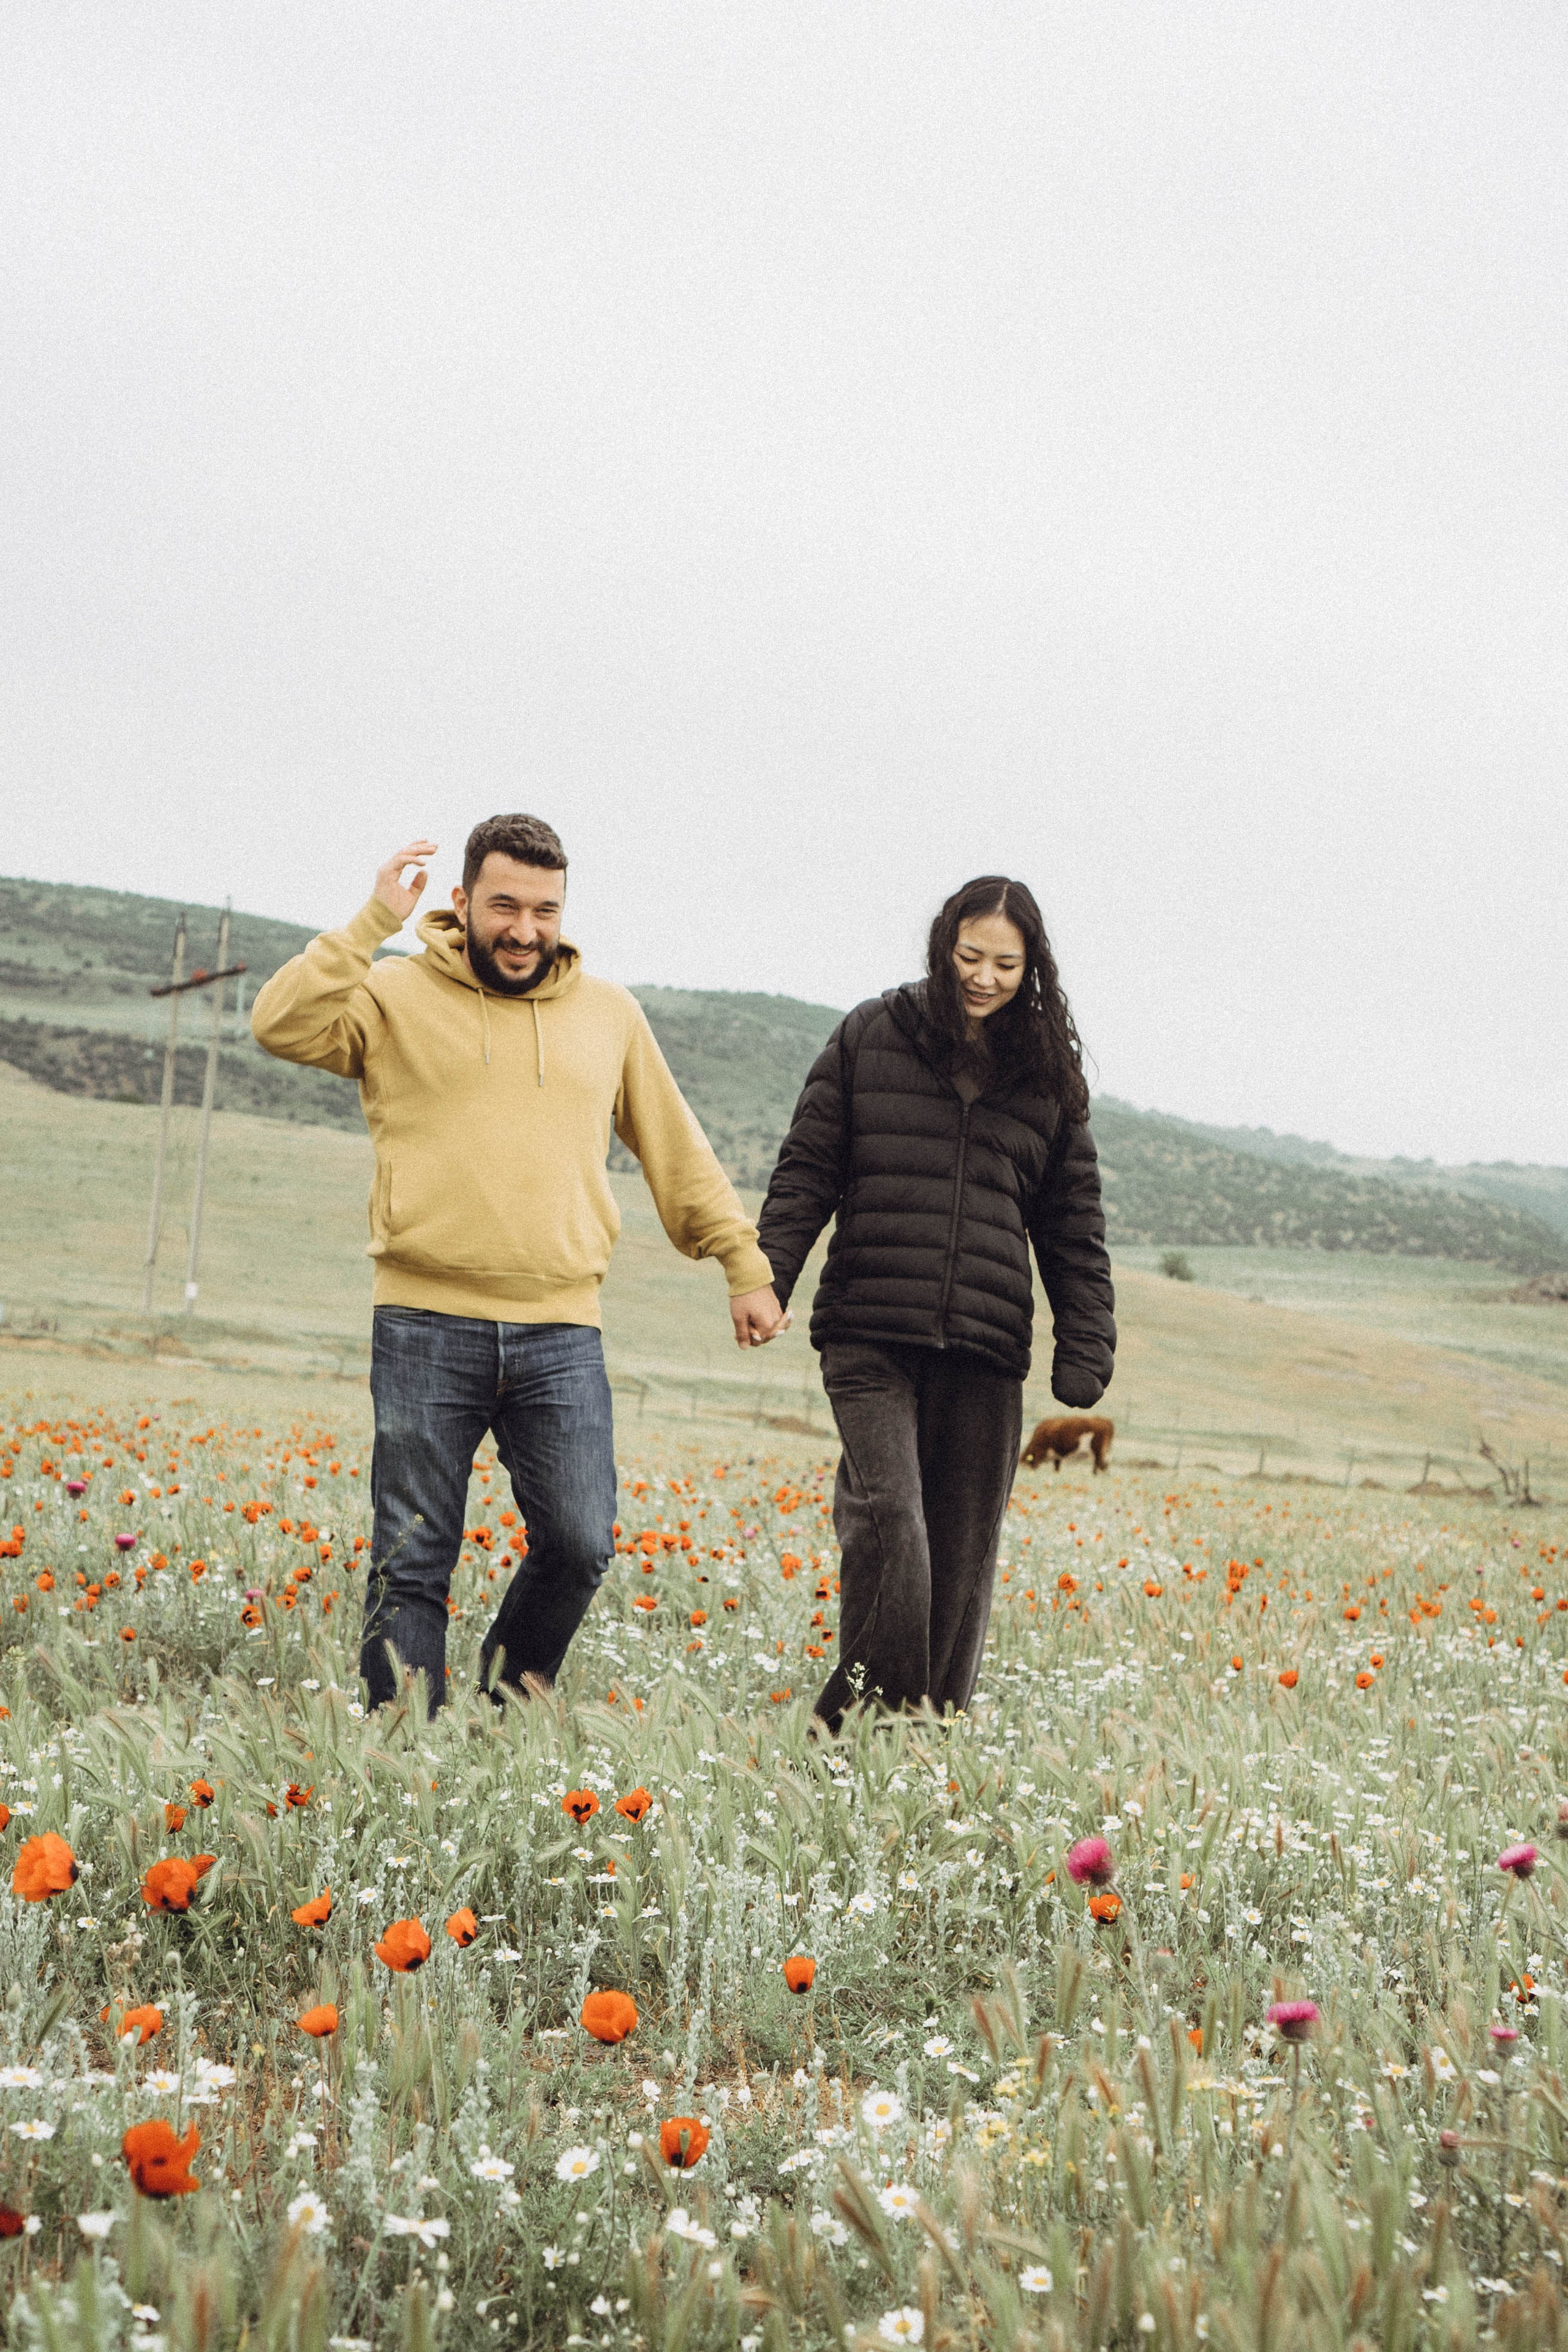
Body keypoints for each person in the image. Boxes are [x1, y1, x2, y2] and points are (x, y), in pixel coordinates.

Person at [251, 813, 785, 1712]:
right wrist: (369, 924)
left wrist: (740, 1257)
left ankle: (499, 1709)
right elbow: (279, 1024)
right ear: (462, 901)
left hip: (561, 1330)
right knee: (413, 1553)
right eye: (505, 905)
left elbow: (675, 1146)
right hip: (423, 1321)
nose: (526, 929)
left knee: (580, 1542)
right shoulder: (391, 997)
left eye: (546, 909)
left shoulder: (609, 1014)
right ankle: (404, 1751)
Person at [755, 875, 1115, 1732]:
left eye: (1005, 963)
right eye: (968, 958)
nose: (984, 978)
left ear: (1033, 969)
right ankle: (841, 1730)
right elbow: (808, 1167)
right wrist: (771, 1275)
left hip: (985, 1351)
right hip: (870, 1332)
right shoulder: (871, 1036)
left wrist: (1086, 1344)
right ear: (941, 947)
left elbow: (1074, 1230)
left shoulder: (1047, 1082)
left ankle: (920, 1743)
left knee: (960, 1566)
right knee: (895, 1533)